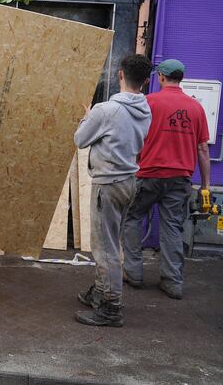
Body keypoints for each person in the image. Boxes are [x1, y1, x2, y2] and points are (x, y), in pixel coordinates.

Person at [72, 54, 153, 327]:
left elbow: (80, 140)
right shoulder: (145, 108)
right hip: (129, 181)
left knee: (104, 247)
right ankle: (100, 289)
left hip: (107, 184)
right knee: (112, 242)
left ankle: (110, 308)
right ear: (145, 80)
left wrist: (87, 118)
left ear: (120, 75)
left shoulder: (106, 110)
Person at [122, 59, 211, 301]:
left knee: (131, 217)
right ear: (180, 78)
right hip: (179, 178)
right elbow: (203, 150)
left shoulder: (149, 102)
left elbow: (133, 137)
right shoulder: (196, 108)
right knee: (172, 227)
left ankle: (133, 273)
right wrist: (204, 186)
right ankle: (172, 282)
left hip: (148, 175)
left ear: (161, 77)